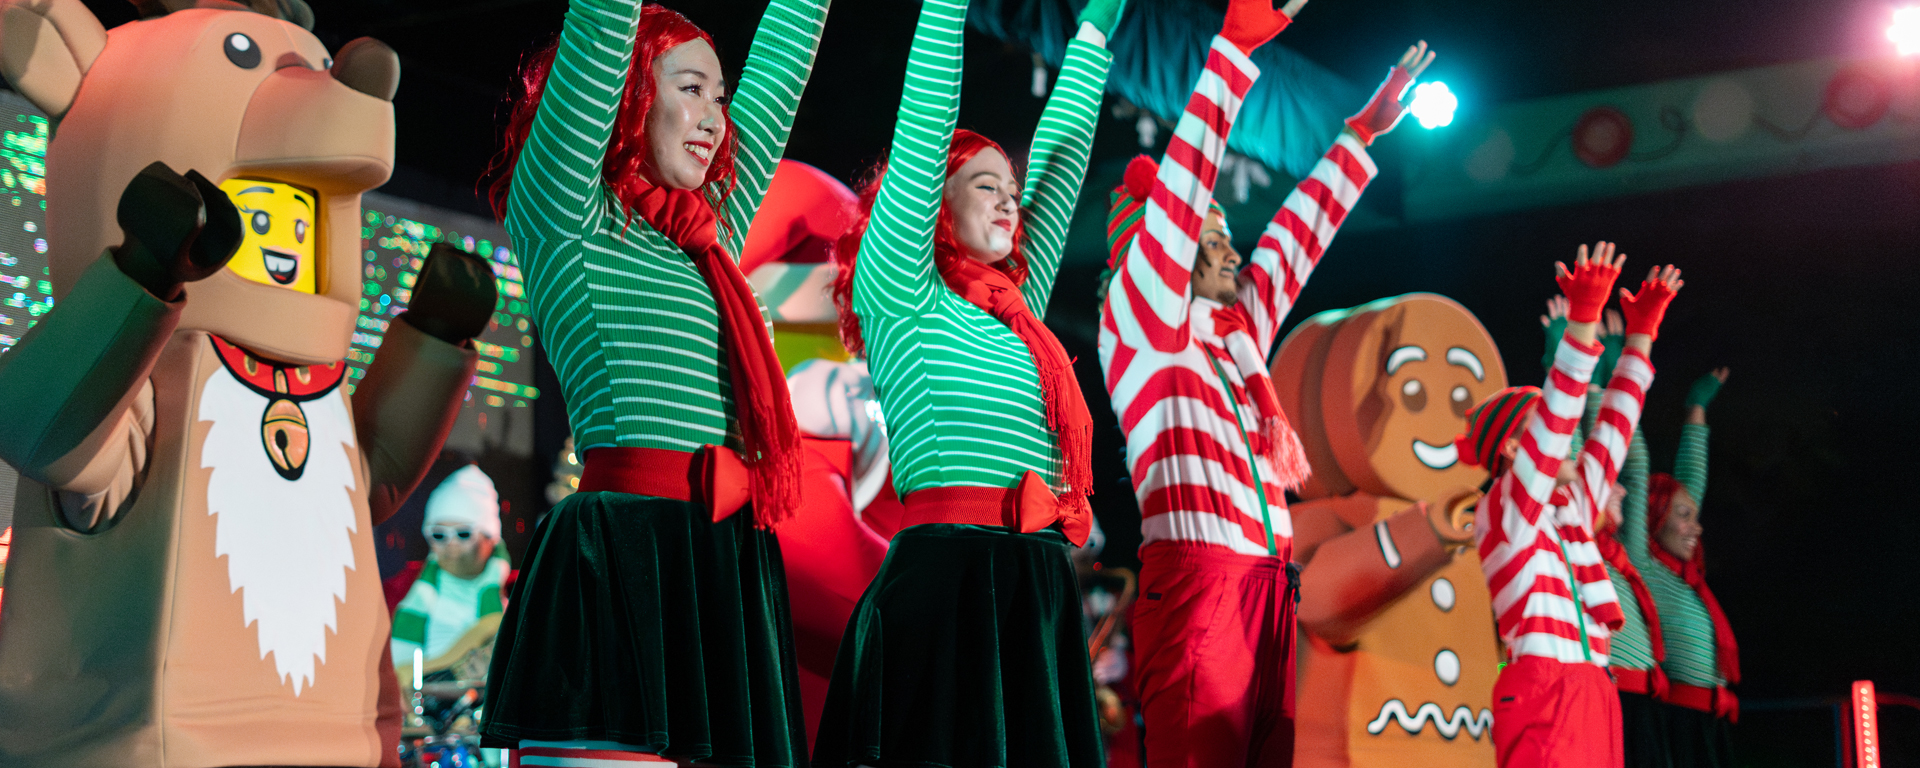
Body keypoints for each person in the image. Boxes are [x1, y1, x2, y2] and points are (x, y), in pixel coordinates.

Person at [479, 0, 832, 762]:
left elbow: (784, 64)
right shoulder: (565, 216)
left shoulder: (708, 238)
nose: (715, 116)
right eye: (690, 88)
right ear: (630, 93)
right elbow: (603, 26)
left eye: (721, 96)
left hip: (724, 560)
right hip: (624, 555)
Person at [1095, 0, 1437, 761]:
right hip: (1200, 586)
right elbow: (1180, 195)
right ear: (1164, 252)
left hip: (1267, 587)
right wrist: (1233, 51)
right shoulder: (1147, 322)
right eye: (1211, 237)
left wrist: (1359, 138)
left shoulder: (1233, 335)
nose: (1231, 250)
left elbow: (1294, 240)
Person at [809, 0, 1124, 763]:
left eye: (1008, 187)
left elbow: (1061, 156)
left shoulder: (1018, 309)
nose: (1011, 199)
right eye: (986, 185)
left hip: (1035, 582)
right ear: (933, 205)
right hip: (948, 582)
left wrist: (1095, 32)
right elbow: (922, 129)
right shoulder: (901, 290)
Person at [1457, 243, 1680, 768]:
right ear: (1515, 448)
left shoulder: (1569, 511)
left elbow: (1615, 432)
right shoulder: (1504, 511)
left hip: (1592, 688)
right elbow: (1559, 417)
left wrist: (1641, 336)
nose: (1564, 443)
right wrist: (1581, 324)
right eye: (1541, 432)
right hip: (1545, 687)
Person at [1543, 302, 1675, 768]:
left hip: (1644, 701)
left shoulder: (1625, 554)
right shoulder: (1566, 539)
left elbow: (1631, 464)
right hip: (1604, 689)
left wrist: (1616, 367)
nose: (1614, 485)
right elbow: (1572, 449)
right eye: (1603, 480)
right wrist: (1565, 359)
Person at [1638, 371, 1740, 768]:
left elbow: (1691, 487)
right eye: (1682, 515)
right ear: (1653, 517)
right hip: (1676, 720)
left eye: (1694, 516)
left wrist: (1697, 409)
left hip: (1708, 719)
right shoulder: (1644, 565)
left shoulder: (1686, 577)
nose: (1695, 527)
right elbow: (1638, 465)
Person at [392, 465, 513, 687]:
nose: (451, 543)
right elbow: (398, 676)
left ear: (490, 539)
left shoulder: (518, 602)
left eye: (463, 533)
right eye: (439, 534)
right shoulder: (408, 596)